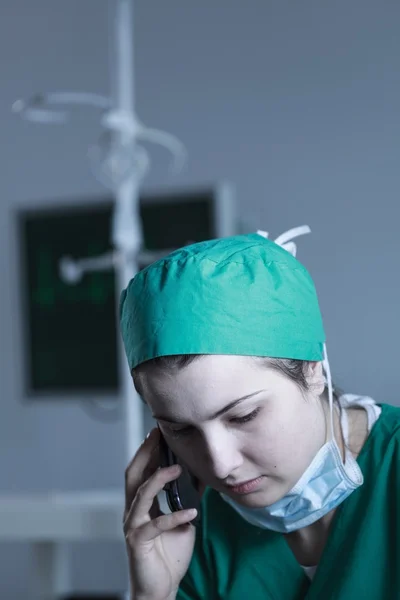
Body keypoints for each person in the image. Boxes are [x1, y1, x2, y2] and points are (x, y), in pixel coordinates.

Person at [119, 227, 400, 600]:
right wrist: (154, 594)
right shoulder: (187, 533)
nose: (219, 465)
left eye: (244, 416)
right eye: (181, 430)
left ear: (313, 369)